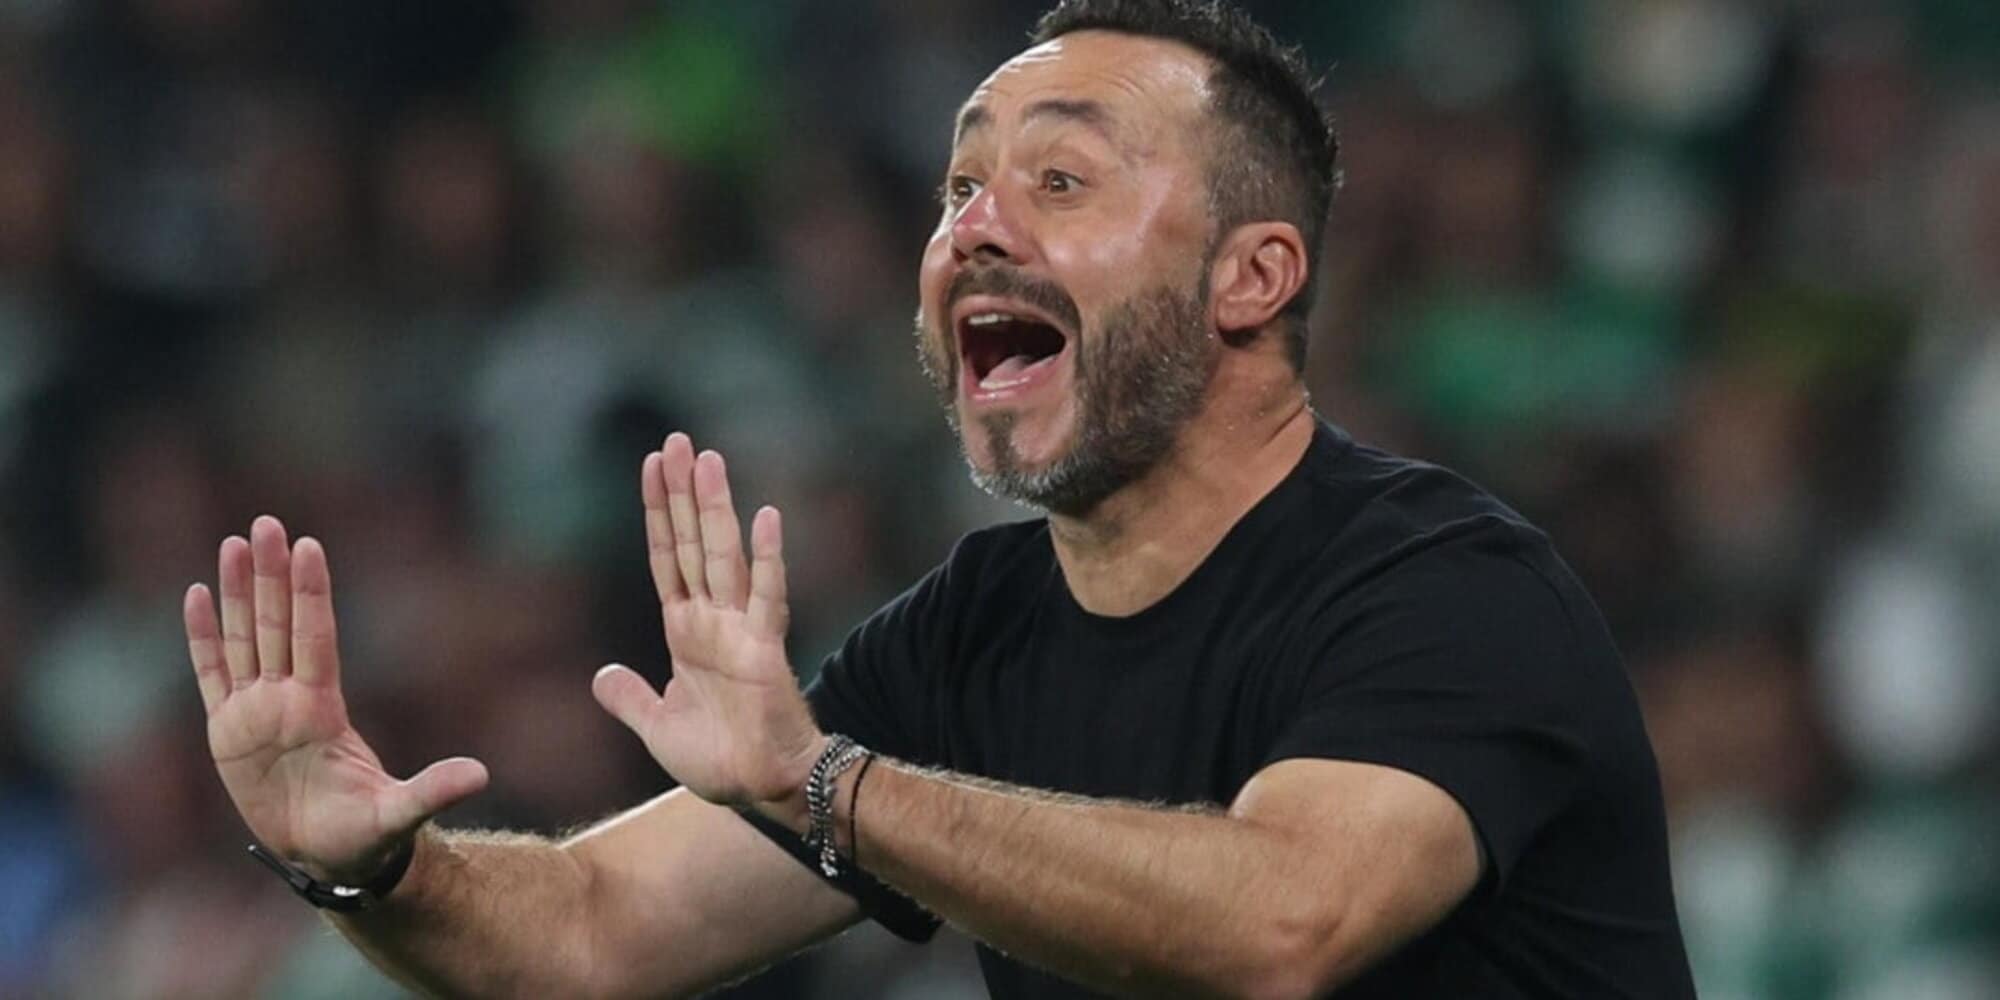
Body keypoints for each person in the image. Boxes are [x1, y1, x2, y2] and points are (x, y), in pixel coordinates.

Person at [182, 1, 1694, 996]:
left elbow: (1286, 923)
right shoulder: (970, 639)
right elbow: (589, 934)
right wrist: (365, 866)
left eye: (1062, 181)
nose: (973, 227)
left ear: (1253, 277)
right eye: (961, 187)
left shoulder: (1450, 591)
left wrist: (826, 785)